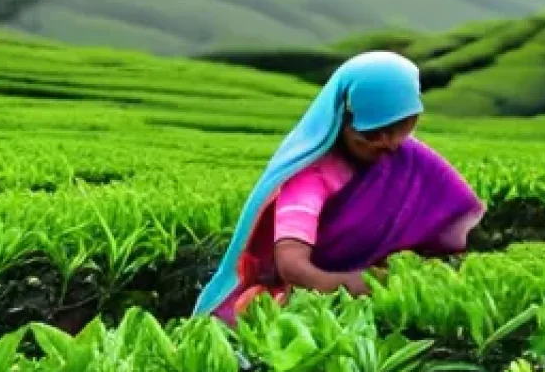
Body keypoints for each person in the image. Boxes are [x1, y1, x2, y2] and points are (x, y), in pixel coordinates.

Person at [193, 51, 485, 323]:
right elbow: (292, 265)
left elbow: (462, 224)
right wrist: (352, 285)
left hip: (388, 297)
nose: (390, 143)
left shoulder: (408, 157)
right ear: (342, 120)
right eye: (372, 133)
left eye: (403, 127)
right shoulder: (311, 177)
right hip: (310, 305)